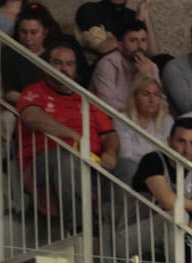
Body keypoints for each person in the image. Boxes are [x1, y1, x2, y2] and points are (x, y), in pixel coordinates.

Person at [15, 45, 119, 229]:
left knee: (127, 166)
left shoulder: (88, 97)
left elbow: (109, 134)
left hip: (90, 162)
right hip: (42, 165)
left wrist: (110, 152)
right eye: (57, 63)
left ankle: (117, 230)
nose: (64, 68)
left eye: (70, 64)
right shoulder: (35, 91)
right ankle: (81, 226)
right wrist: (73, 136)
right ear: (46, 65)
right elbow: (30, 116)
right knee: (66, 158)